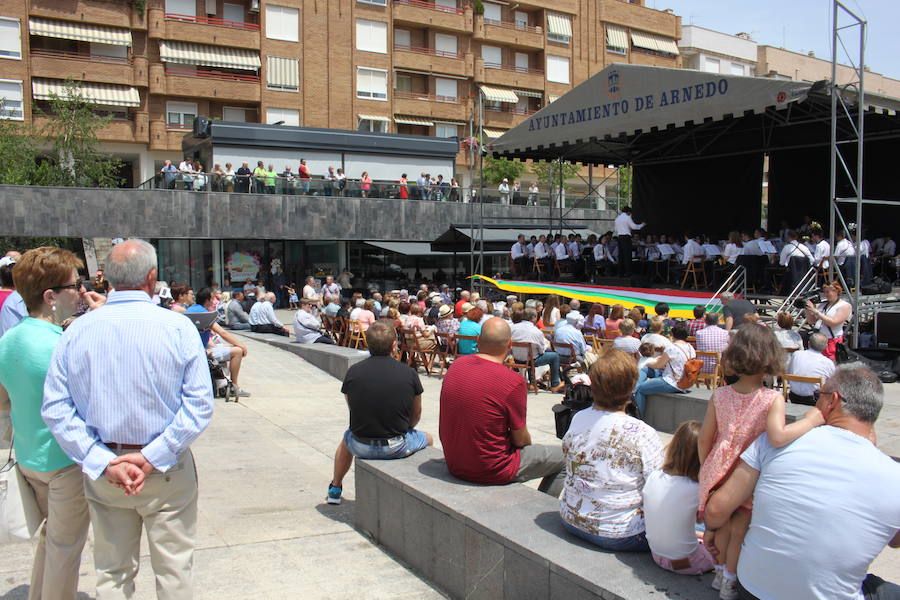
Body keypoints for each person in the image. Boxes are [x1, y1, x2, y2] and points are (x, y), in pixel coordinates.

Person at [42, 239, 214, 599]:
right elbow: (199, 404)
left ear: (108, 281)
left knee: (112, 574)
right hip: (167, 468)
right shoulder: (178, 327)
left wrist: (102, 461)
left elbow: (56, 409)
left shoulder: (76, 331)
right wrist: (152, 456)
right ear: (152, 278)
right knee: (174, 570)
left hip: (108, 465)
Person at [705, 364, 900, 600]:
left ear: (832, 401)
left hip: (753, 589)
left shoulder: (771, 443)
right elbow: (894, 540)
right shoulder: (893, 476)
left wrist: (713, 530)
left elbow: (717, 509)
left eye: (820, 395)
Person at [697, 324, 824, 599]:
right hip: (749, 473)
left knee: (720, 523)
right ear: (771, 358)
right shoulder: (771, 398)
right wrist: (810, 420)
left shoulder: (719, 395)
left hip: (717, 467)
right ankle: (731, 579)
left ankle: (718, 574)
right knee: (740, 527)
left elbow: (705, 437)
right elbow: (777, 437)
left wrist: (707, 465)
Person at [0, 247, 93, 599]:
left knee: (52, 541)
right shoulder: (63, 344)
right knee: (65, 551)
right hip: (65, 461)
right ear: (51, 296)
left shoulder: (8, 341)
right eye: (75, 285)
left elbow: (2, 402)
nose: (81, 291)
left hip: (28, 458)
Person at [440, 318, 564, 494]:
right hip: (491, 468)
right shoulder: (513, 381)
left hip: (455, 462)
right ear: (510, 344)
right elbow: (520, 439)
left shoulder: (456, 366)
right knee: (567, 457)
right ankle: (540, 506)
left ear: (478, 341)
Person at [560, 350, 663, 551]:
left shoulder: (579, 417)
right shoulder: (643, 433)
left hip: (571, 518)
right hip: (621, 533)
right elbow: (658, 488)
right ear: (632, 385)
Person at [327, 321, 433, 504]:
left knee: (346, 439)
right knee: (429, 438)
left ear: (368, 344)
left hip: (360, 443)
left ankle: (335, 488)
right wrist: (404, 427)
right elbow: (415, 415)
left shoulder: (353, 371)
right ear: (394, 345)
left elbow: (353, 406)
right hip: (395, 446)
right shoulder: (409, 374)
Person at [642, 421, 715, 575]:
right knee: (723, 537)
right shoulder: (697, 489)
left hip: (656, 555)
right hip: (686, 563)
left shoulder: (654, 476)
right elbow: (709, 520)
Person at [632, 323, 696, 415]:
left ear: (673, 334)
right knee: (645, 370)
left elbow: (658, 365)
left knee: (641, 389)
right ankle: (634, 389)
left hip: (672, 382)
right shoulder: (691, 348)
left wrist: (646, 362)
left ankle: (638, 415)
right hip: (685, 381)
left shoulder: (672, 348)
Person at [510, 307, 565, 393]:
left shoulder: (512, 328)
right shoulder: (536, 332)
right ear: (534, 317)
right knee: (554, 356)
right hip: (531, 360)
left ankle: (532, 383)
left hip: (517, 359)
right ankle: (555, 384)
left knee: (532, 355)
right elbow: (541, 351)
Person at [803, 280, 852, 360]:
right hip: (819, 341)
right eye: (824, 292)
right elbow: (811, 321)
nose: (826, 294)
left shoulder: (844, 306)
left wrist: (816, 311)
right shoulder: (823, 304)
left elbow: (834, 323)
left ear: (836, 291)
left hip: (833, 340)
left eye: (828, 292)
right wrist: (808, 308)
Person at [785, 332, 835, 405]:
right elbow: (833, 384)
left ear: (808, 343)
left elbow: (789, 375)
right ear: (825, 347)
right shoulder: (827, 362)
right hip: (814, 400)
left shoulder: (797, 354)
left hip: (794, 397)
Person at [615, 206, 645, 276]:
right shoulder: (627, 217)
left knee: (621, 255)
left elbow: (616, 229)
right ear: (628, 212)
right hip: (626, 237)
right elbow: (634, 227)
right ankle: (628, 272)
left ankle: (620, 273)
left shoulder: (617, 218)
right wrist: (642, 225)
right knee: (627, 255)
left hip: (620, 237)